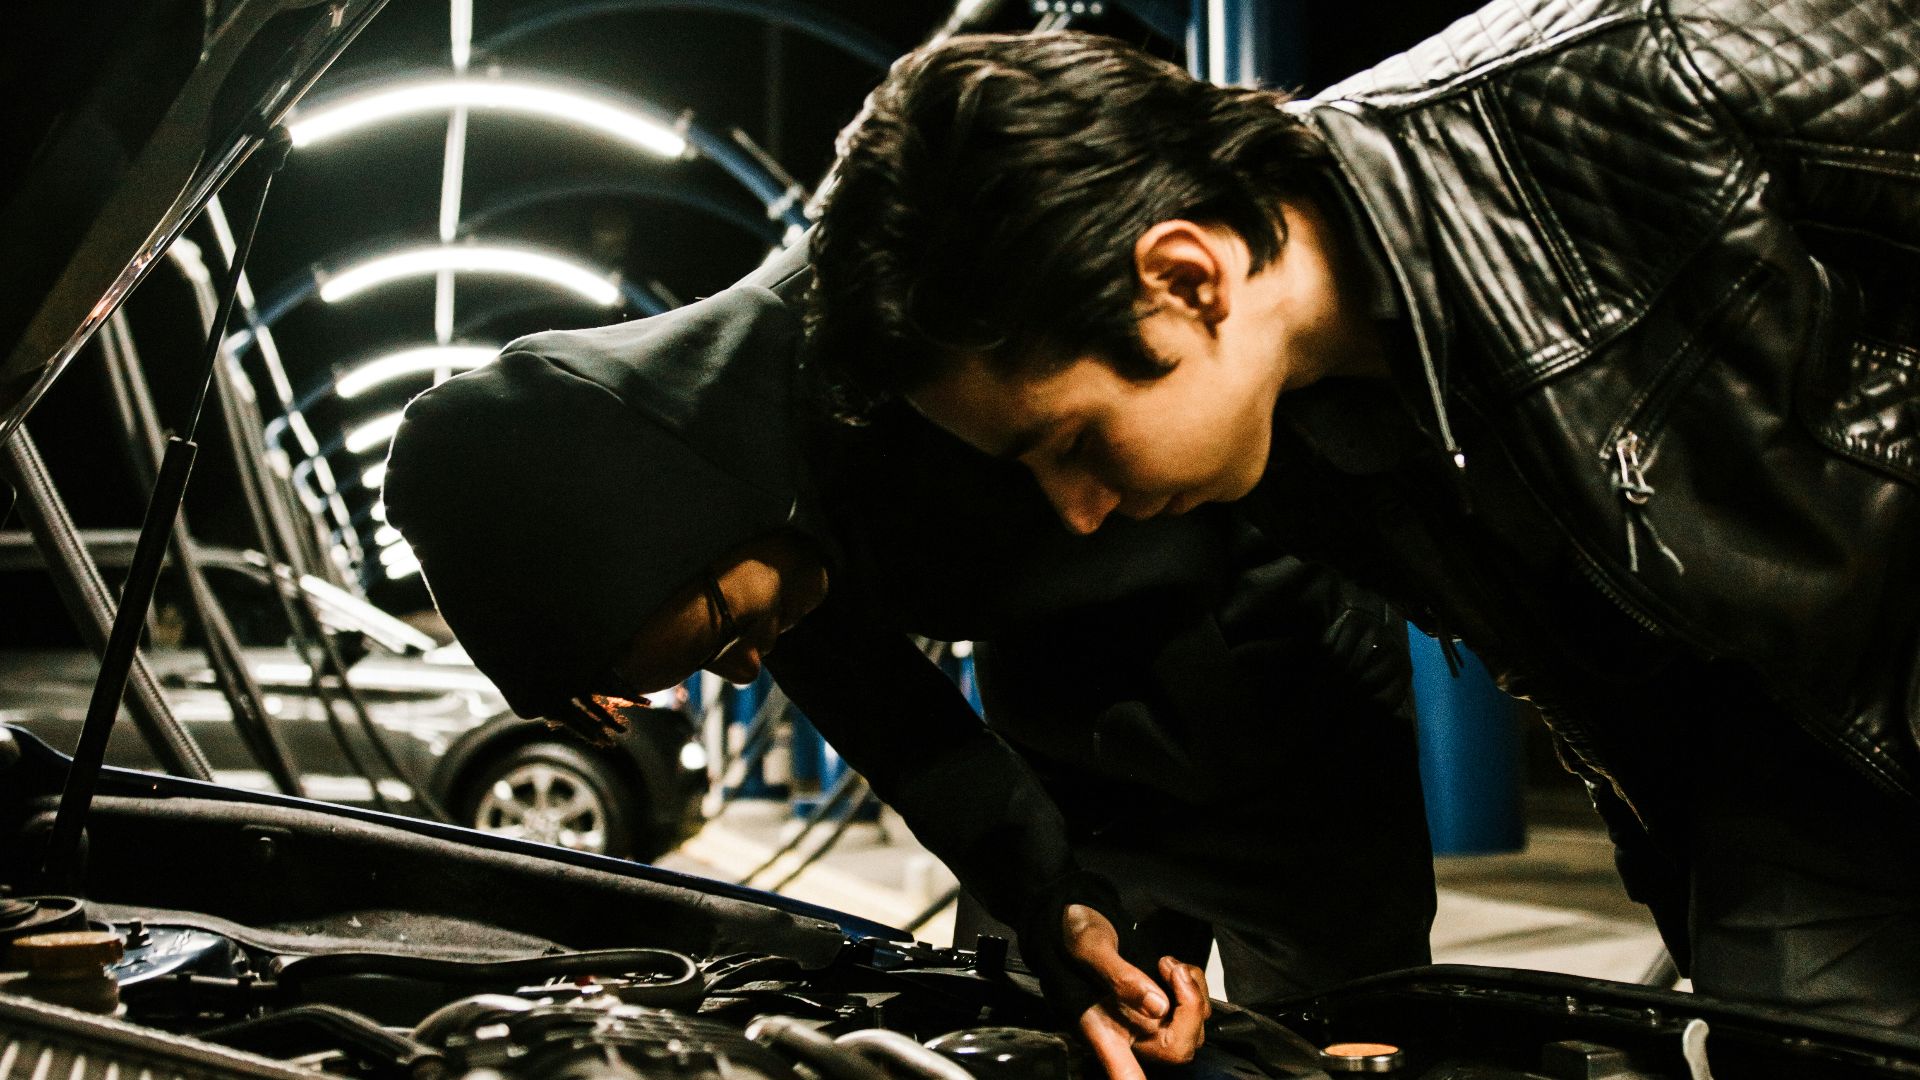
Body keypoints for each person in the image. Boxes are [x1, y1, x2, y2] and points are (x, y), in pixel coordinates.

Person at [804, 1, 1920, 1029]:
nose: (1079, 512)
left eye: (1075, 442)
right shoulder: (1294, 449)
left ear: (1187, 278)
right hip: (1776, 803)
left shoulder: (1633, 72)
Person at [382, 247, 1436, 1079]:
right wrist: (1049, 898)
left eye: (719, 631)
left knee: (1337, 1038)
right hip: (1065, 725)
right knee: (1037, 1023)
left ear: (679, 513)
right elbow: (903, 728)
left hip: (1285, 695)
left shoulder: (912, 302)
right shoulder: (752, 515)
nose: (751, 666)